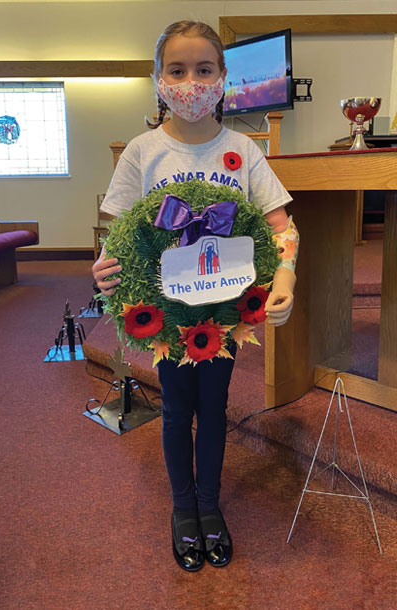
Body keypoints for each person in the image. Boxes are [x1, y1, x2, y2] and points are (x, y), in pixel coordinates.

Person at [92, 20, 299, 572]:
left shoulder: (242, 151)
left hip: (225, 312)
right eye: (177, 70)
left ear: (223, 79)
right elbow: (120, 235)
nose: (190, 81)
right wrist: (104, 266)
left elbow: (281, 226)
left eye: (204, 70)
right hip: (168, 313)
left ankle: (210, 506)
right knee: (176, 408)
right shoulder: (142, 151)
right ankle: (184, 510)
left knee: (215, 408)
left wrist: (284, 279)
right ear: (158, 80)